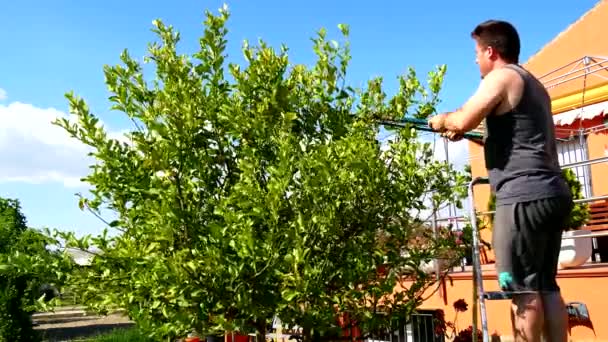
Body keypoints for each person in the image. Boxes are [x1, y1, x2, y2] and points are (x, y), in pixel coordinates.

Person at [428, 20, 574, 342]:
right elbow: (518, 138)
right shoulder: (534, 85)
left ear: (490, 51)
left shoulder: (501, 76)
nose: (475, 60)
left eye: (476, 53)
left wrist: (442, 121)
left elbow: (463, 117)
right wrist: (474, 134)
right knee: (545, 285)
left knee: (521, 290)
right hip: (552, 193)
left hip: (522, 196)